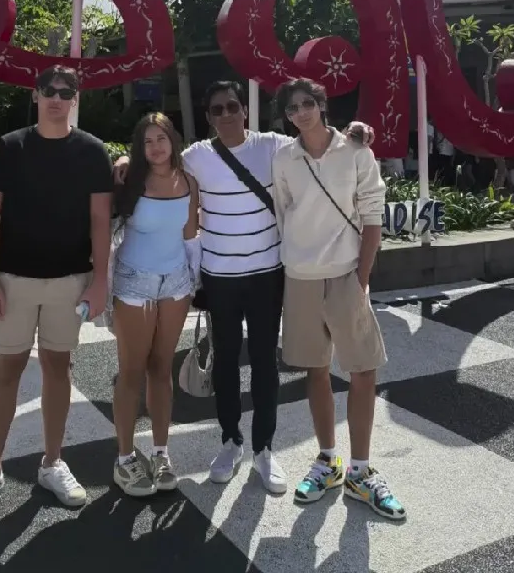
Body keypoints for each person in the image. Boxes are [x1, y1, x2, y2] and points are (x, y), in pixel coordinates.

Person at [114, 80, 373, 496]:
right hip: (219, 276)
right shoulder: (196, 157)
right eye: (217, 110)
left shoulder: (273, 146)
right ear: (208, 117)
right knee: (227, 361)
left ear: (245, 111)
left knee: (267, 363)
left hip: (268, 272)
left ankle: (264, 447)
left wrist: (354, 131)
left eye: (233, 106)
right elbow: (156, 158)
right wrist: (124, 157)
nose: (227, 115)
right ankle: (231, 441)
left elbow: (316, 140)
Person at [0, 65, 114, 524]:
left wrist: (100, 279)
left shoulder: (92, 151)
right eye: (49, 89)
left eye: (66, 92)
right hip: (13, 278)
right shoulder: (9, 148)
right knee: (5, 369)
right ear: (36, 94)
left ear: (74, 100)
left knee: (57, 367)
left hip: (70, 280)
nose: (57, 97)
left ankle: (52, 462)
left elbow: (100, 220)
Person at [271, 78, 405, 520]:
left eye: (308, 103)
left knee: (363, 368)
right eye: (293, 108)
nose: (301, 112)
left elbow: (372, 213)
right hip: (301, 276)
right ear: (286, 115)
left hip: (346, 273)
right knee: (316, 370)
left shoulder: (355, 150)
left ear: (322, 105)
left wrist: (362, 275)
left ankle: (362, 470)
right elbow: (283, 211)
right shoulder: (284, 157)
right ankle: (328, 459)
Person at [111, 113, 200, 497]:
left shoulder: (189, 180)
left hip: (176, 282)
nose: (155, 147)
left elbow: (191, 233)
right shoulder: (128, 179)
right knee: (132, 370)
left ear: (173, 140)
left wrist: (198, 282)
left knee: (162, 367)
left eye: (161, 138)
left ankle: (161, 452)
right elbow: (103, 220)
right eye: (147, 141)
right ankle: (126, 458)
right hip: (134, 281)